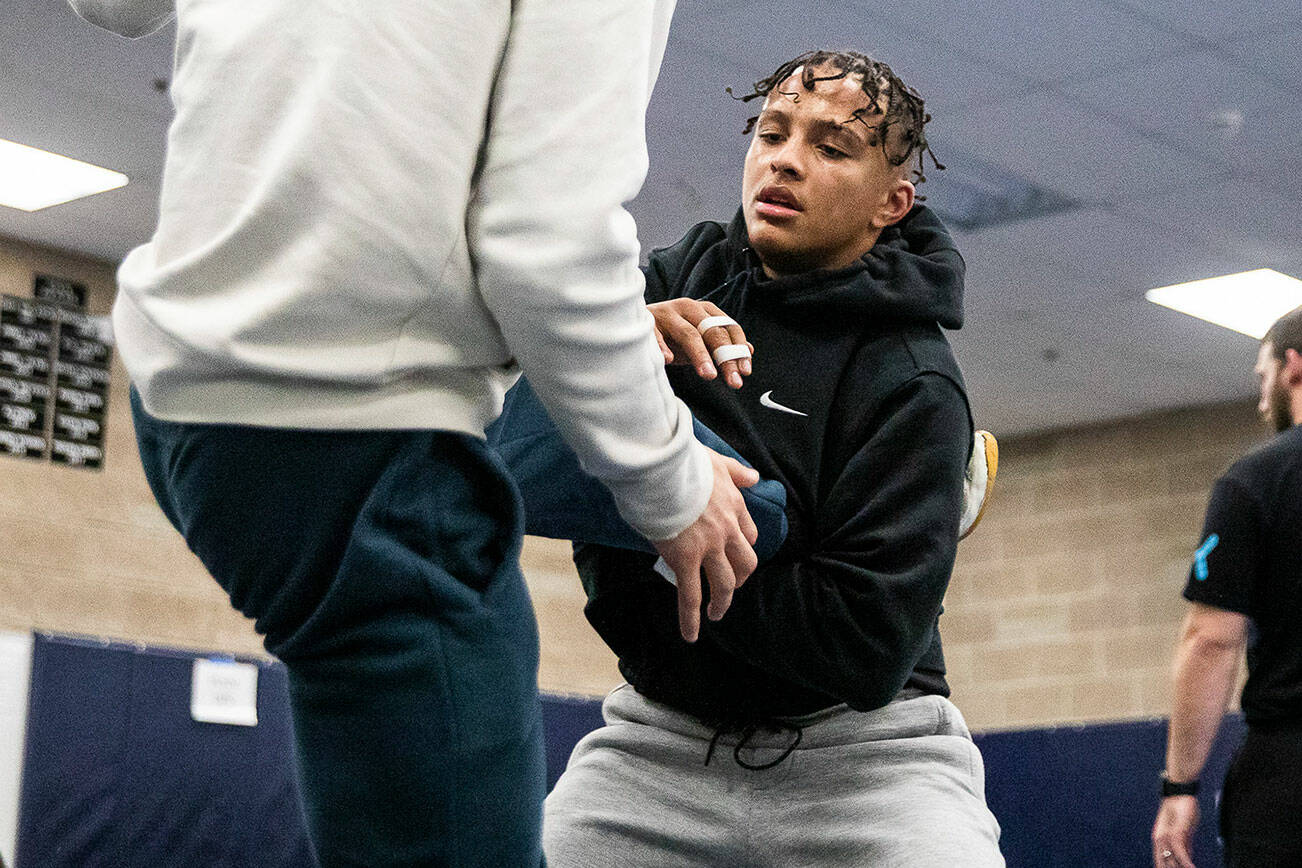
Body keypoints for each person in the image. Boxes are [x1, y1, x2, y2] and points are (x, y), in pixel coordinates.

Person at [66, 1, 761, 865]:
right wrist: (667, 484)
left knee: (745, 496)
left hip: (186, 401)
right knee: (729, 502)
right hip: (346, 431)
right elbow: (545, 242)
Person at [540, 50, 1005, 867]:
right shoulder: (670, 283)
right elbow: (528, 420)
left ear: (889, 204)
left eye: (831, 147)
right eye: (772, 132)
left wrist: (671, 522)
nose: (785, 158)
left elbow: (862, 649)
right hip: (658, 741)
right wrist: (613, 350)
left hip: (871, 756)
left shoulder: (913, 382)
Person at [1151, 306, 1302, 868]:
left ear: (1293, 367)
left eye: (1263, 379)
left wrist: (1179, 788)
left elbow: (1211, 640)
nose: (1262, 402)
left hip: (1289, 773)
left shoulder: (1256, 481)